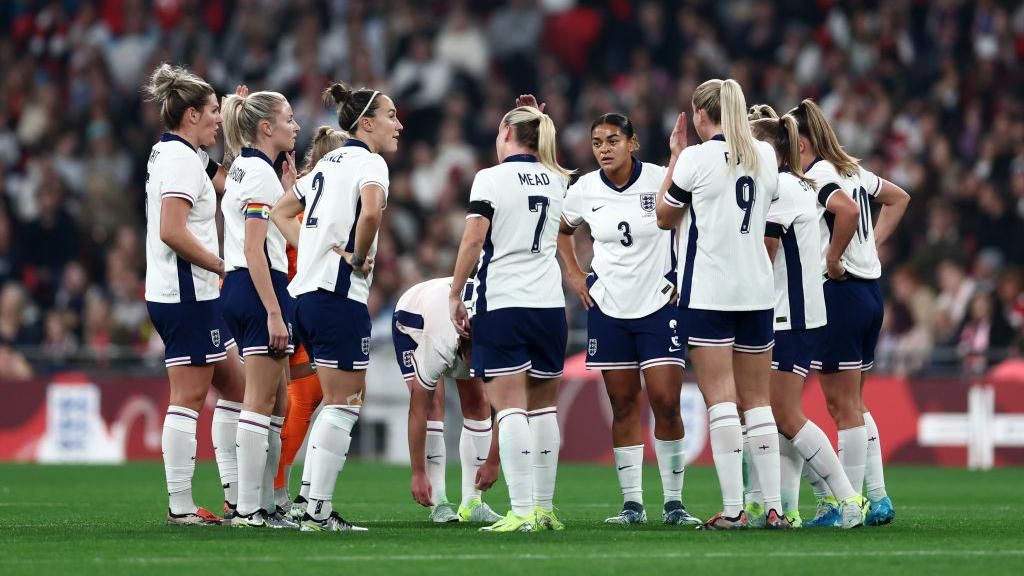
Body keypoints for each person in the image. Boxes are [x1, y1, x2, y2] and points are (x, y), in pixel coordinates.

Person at [654, 79, 784, 530]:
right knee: (759, 403)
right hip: (757, 291)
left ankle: (733, 510)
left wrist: (675, 154)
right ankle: (775, 508)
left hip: (708, 291)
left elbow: (663, 216)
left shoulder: (695, 157)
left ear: (698, 115)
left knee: (722, 401)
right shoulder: (764, 155)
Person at [272, 82, 402, 532]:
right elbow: (370, 213)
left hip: (305, 296)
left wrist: (310, 248)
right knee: (344, 403)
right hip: (337, 295)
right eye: (390, 115)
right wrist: (359, 255)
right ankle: (317, 511)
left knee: (333, 401)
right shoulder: (371, 163)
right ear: (366, 123)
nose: (398, 124)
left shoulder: (327, 162)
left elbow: (280, 213)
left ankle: (310, 502)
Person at [557, 112, 698, 526]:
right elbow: (563, 231)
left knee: (667, 402)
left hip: (658, 304)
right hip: (609, 307)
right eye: (598, 142)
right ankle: (632, 504)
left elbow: (690, 222)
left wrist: (682, 275)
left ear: (632, 143)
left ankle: (674, 502)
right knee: (622, 403)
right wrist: (574, 274)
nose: (604, 149)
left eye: (613, 140)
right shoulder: (584, 190)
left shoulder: (659, 178)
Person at [449, 96, 572, 532]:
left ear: (505, 132)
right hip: (550, 306)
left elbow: (473, 241)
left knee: (510, 407)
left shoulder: (490, 178)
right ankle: (542, 509)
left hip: (504, 301)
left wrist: (454, 292)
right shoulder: (557, 179)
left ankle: (519, 511)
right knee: (543, 410)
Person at [788, 99, 910, 527]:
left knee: (841, 406)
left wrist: (836, 257)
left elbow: (848, 212)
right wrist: (870, 245)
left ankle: (849, 505)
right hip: (869, 293)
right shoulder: (852, 170)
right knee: (854, 403)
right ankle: (876, 498)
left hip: (839, 295)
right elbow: (898, 198)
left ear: (801, 144)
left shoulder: (818, 174)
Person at [749, 105, 866, 529]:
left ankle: (848, 499)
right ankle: (787, 508)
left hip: (787, 315)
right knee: (779, 417)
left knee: (784, 414)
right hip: (799, 313)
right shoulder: (800, 182)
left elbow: (765, 253)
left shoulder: (778, 187)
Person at [142, 63, 232, 526]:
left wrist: (240, 119)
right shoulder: (179, 159)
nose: (218, 118)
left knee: (240, 387)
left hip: (195, 294)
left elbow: (230, 183)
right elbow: (172, 230)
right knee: (189, 398)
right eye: (215, 111)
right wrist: (221, 265)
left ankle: (240, 498)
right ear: (192, 114)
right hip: (186, 296)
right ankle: (180, 507)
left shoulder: (182, 151)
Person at [220, 88, 301, 528]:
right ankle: (250, 509)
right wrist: (273, 311)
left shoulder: (244, 169)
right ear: (266, 128)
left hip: (243, 285)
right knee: (259, 400)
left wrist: (288, 193)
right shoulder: (257, 175)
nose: (296, 126)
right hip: (258, 287)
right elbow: (255, 249)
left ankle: (264, 504)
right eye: (288, 118)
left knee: (278, 399)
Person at [269, 126, 345, 520]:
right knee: (302, 397)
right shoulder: (323, 189)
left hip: (295, 296)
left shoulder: (303, 187)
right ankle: (279, 489)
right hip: (300, 296)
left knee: (304, 396)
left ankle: (289, 489)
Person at [392, 276, 503, 523]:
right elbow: (417, 410)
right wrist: (418, 473)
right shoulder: (441, 344)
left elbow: (509, 408)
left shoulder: (500, 338)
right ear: (463, 349)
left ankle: (472, 503)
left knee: (479, 403)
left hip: (455, 311)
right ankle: (439, 501)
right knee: (433, 404)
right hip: (414, 321)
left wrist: (493, 461)